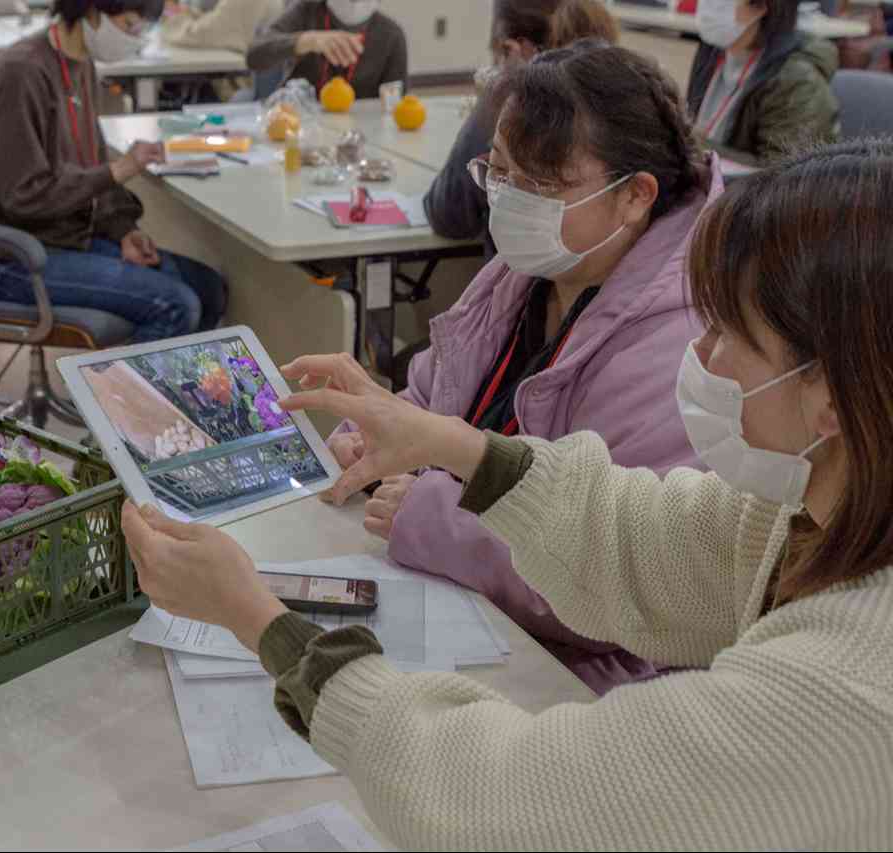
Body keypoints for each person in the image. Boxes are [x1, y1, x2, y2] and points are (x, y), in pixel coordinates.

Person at [122, 138, 893, 849]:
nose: (699, 353)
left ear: (833, 391)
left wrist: (255, 617)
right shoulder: (822, 505)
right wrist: (453, 445)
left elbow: (508, 796)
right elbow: (648, 537)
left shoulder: (846, 696)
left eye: (731, 336)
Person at [340, 42, 719, 694]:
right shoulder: (529, 271)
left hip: (582, 675)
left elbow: (607, 580)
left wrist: (431, 515)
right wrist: (375, 434)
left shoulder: (682, 340)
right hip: (462, 602)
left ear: (635, 195)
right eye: (502, 174)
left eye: (540, 186)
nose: (509, 203)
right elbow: (434, 396)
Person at [0, 0, 227, 342]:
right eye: (130, 26)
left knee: (209, 289)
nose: (135, 38)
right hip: (14, 257)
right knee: (176, 304)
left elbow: (87, 167)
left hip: (69, 237)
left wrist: (122, 231)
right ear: (91, 12)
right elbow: (24, 197)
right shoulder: (22, 73)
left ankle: (164, 393)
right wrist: (119, 169)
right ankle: (118, 395)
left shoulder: (80, 65)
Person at [424, 0, 620, 247]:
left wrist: (496, 94)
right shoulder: (628, 90)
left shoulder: (521, 107)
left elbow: (448, 214)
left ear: (512, 49)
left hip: (530, 275)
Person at [688, 0, 839, 165]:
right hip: (712, 180)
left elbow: (784, 174)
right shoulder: (712, 51)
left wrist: (692, 146)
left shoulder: (796, 79)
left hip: (755, 186)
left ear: (759, 7)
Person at [247, 0, 407, 100]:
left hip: (359, 130)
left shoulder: (391, 34)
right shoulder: (306, 11)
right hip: (301, 122)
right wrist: (307, 40)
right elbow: (254, 55)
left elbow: (396, 100)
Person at [161, 0, 284, 52]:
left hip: (247, 83)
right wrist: (188, 13)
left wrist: (172, 17)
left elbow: (199, 34)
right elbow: (217, 18)